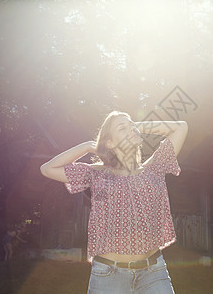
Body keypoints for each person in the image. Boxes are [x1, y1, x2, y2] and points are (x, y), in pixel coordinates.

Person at [40, 111, 188, 293]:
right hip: (109, 275)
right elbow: (47, 169)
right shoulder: (98, 174)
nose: (131, 129)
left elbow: (181, 126)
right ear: (109, 142)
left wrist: (135, 127)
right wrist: (88, 146)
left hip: (154, 272)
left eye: (131, 125)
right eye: (121, 128)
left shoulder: (154, 168)